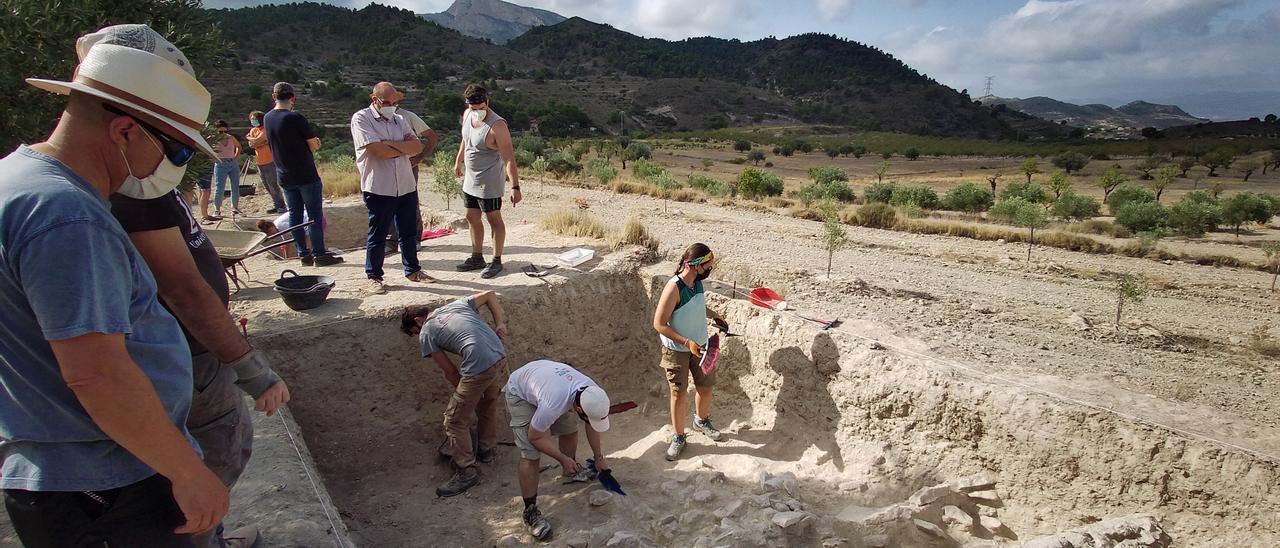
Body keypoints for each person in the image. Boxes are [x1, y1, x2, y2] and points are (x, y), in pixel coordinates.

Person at [2, 24, 228, 546]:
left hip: (81, 478)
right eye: (176, 152)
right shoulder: (67, 216)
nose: (175, 168)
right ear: (125, 131)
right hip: (107, 486)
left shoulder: (19, 180)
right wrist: (187, 473)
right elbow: (96, 373)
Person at [400, 290, 509, 497]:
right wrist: (500, 323)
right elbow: (490, 295)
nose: (417, 336)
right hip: (499, 356)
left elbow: (450, 371)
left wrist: (464, 395)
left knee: (454, 420)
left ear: (418, 321)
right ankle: (486, 450)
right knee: (487, 404)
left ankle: (466, 470)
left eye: (413, 332)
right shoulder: (453, 306)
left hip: (479, 366)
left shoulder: (427, 332)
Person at [502, 360, 612, 541]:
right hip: (520, 390)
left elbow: (591, 423)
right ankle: (530, 512)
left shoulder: (593, 393)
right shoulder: (553, 404)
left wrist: (599, 457)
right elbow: (534, 437)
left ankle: (571, 472)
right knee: (530, 456)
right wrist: (562, 458)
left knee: (569, 430)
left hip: (545, 379)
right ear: (578, 408)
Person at [351, 82, 432, 295]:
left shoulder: (400, 119)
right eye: (387, 102)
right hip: (379, 186)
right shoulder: (361, 119)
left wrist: (389, 144)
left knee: (408, 232)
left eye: (395, 103)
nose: (392, 106)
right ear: (374, 99)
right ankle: (374, 276)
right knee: (378, 234)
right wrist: (400, 147)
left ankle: (413, 270)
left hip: (405, 184)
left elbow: (417, 147)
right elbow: (378, 152)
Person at [652, 243, 729, 461]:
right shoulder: (674, 287)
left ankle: (701, 420)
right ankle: (678, 437)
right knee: (679, 393)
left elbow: (696, 306)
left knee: (705, 388)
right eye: (708, 266)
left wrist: (714, 315)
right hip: (677, 349)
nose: (709, 270)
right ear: (695, 265)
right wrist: (686, 342)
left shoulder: (696, 284)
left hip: (701, 345)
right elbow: (659, 323)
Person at [264, 81, 342, 266]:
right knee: (314, 215)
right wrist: (316, 142)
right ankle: (320, 255)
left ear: (274, 97)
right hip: (305, 174)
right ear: (293, 98)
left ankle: (303, 254)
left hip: (283, 174)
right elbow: (312, 144)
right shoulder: (295, 118)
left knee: (295, 215)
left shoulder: (267, 118)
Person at [453, 84, 521, 279]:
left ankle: (496, 260)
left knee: (493, 219)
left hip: (489, 180)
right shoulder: (468, 115)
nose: (477, 111)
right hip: (471, 178)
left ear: (487, 101)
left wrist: (515, 186)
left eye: (480, 107)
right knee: (471, 216)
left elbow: (509, 157)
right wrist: (459, 161)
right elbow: (465, 139)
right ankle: (477, 256)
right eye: (474, 108)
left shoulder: (498, 125)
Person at [246, 110, 286, 213]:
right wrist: (256, 141)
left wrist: (251, 139)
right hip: (260, 162)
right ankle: (276, 204)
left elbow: (256, 141)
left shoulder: (266, 130)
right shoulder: (253, 131)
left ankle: (281, 205)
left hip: (270, 161)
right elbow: (252, 144)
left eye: (254, 119)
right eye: (252, 119)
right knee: (267, 185)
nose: (253, 121)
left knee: (273, 184)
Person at [211, 120, 241, 218]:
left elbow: (239, 147)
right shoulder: (212, 139)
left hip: (232, 162)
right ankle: (217, 210)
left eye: (225, 131)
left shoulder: (230, 138)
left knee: (235, 186)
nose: (223, 134)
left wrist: (235, 157)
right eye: (220, 132)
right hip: (220, 163)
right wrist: (214, 159)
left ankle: (235, 208)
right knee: (220, 188)